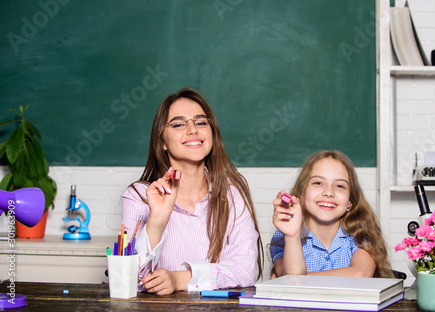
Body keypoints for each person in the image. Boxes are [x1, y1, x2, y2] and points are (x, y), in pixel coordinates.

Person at [121, 87, 263, 295]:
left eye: (201, 122)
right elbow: (129, 279)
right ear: (162, 143)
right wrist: (157, 221)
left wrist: (180, 278)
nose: (193, 130)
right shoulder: (138, 197)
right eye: (178, 124)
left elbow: (245, 270)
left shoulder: (232, 191)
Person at [270, 150, 394, 278]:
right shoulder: (283, 235)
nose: (329, 192)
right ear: (303, 193)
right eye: (318, 183)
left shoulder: (360, 233)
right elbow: (292, 279)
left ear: (350, 201)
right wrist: (292, 237)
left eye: (340, 186)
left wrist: (299, 279)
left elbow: (360, 273)